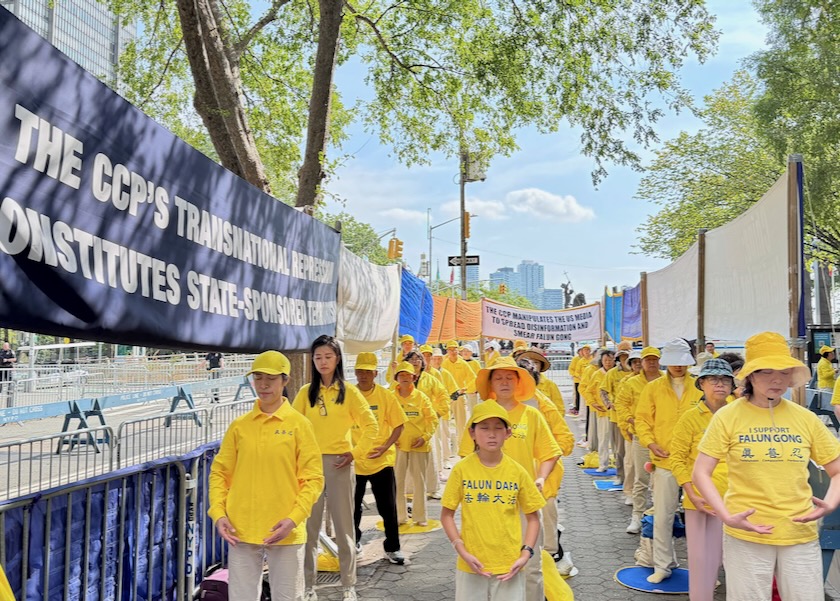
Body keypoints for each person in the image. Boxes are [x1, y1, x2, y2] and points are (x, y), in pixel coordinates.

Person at [694, 332, 840, 601]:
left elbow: (837, 468)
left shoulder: (804, 418)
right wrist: (725, 514)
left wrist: (830, 503)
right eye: (765, 371)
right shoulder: (729, 416)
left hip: (799, 531)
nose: (776, 379)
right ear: (749, 375)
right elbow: (700, 471)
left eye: (784, 372)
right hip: (746, 531)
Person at [209, 351, 324, 601]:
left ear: (285, 381)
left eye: (271, 379)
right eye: (258, 378)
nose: (263, 385)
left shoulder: (300, 425)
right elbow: (220, 472)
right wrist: (218, 514)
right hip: (242, 529)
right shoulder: (240, 426)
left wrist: (293, 519)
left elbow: (313, 479)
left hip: (285, 529)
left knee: (288, 596)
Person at [458, 357, 561, 601]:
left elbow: (550, 452)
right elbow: (466, 457)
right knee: (487, 563)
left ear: (518, 382)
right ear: (490, 383)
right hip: (487, 503)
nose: (504, 382)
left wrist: (541, 478)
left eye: (509, 378)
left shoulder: (531, 415)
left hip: (523, 502)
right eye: (498, 378)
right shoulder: (480, 414)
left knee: (531, 565)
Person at [293, 335, 379, 601]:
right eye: (317, 357)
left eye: (328, 356)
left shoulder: (349, 392)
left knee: (344, 528)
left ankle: (348, 585)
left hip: (340, 465)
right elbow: (292, 427)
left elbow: (372, 427)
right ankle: (307, 586)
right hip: (310, 467)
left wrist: (354, 454)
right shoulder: (305, 392)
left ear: (338, 359)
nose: (322, 362)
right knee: (308, 528)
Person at [441, 402, 544, 601]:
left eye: (498, 428)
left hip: (509, 564)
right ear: (472, 433)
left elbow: (533, 518)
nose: (491, 434)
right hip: (471, 562)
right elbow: (446, 515)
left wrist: (525, 554)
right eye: (484, 428)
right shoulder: (462, 469)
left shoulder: (517, 471)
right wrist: (461, 550)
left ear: (508, 433)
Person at [635, 338, 702, 583]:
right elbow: (642, 419)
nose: (678, 367)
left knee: (700, 519)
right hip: (664, 460)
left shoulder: (700, 387)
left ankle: (704, 569)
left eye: (682, 362)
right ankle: (662, 564)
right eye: (673, 362)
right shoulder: (653, 388)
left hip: (697, 463)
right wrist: (650, 443)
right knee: (663, 515)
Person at [669, 359, 733, 601]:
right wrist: (690, 491)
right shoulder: (690, 418)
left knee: (722, 559)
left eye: (726, 380)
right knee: (699, 559)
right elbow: (678, 458)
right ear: (702, 384)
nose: (720, 385)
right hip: (700, 498)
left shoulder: (738, 414)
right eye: (714, 380)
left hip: (735, 496)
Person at [352, 352, 407, 565]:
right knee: (352, 507)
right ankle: (354, 543)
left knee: (387, 507)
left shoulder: (385, 396)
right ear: (355, 372)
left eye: (368, 371)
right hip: (355, 461)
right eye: (360, 371)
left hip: (381, 461)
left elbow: (399, 424)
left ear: (376, 373)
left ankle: (393, 547)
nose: (364, 375)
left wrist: (385, 447)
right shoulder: (348, 395)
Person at [615, 346, 662, 534]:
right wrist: (631, 419)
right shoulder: (632, 383)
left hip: (663, 437)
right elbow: (621, 404)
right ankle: (638, 515)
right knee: (641, 477)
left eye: (655, 359)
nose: (651, 363)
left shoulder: (666, 382)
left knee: (662, 479)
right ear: (641, 362)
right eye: (647, 360)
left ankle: (660, 514)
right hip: (641, 436)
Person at [393, 361, 438, 526]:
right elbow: (385, 420)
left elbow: (432, 419)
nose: (405, 378)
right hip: (398, 446)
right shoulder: (391, 397)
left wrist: (425, 437)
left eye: (408, 375)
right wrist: (391, 438)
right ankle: (399, 516)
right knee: (398, 481)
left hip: (419, 445)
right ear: (396, 378)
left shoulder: (421, 397)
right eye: (401, 375)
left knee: (419, 482)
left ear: (414, 377)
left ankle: (420, 517)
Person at [401, 350, 449, 499]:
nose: (415, 362)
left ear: (423, 363)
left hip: (426, 425)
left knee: (430, 458)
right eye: (411, 359)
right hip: (406, 426)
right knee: (406, 459)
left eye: (418, 359)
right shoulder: (400, 380)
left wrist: (438, 413)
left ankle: (432, 488)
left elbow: (443, 396)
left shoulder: (430, 379)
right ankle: (408, 490)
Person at [441, 340, 476, 449]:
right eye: (450, 349)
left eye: (455, 349)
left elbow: (473, 378)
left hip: (459, 397)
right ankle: (447, 448)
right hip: (446, 397)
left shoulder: (463, 364)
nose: (453, 351)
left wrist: (466, 389)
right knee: (445, 423)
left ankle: (462, 446)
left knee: (461, 423)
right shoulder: (443, 363)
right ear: (447, 351)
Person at [587, 349, 615, 472]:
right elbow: (588, 391)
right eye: (605, 360)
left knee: (616, 441)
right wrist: (593, 404)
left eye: (610, 360)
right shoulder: (597, 374)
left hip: (617, 413)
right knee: (603, 438)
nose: (608, 362)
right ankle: (603, 464)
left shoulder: (617, 373)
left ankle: (617, 463)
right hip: (603, 412)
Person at [568, 344, 592, 416]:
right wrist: (579, 377)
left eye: (588, 350)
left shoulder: (592, 360)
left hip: (590, 382)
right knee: (579, 396)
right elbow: (576, 371)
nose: (586, 352)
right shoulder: (579, 361)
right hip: (579, 381)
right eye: (584, 350)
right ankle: (578, 409)